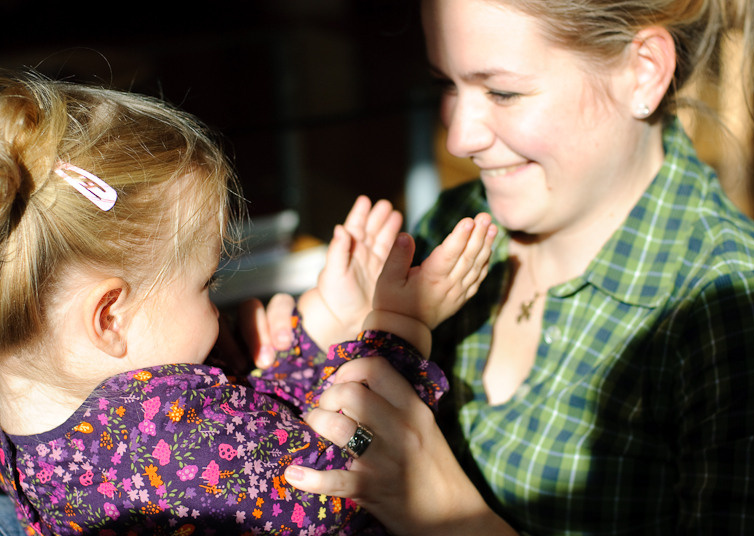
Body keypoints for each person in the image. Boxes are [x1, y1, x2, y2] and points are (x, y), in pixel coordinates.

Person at [249, 0, 754, 534]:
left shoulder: (742, 315)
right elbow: (367, 451)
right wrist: (331, 357)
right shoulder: (457, 221)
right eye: (447, 84)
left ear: (643, 71)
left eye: (503, 92)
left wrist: (443, 512)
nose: (460, 137)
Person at [0, 71, 497, 535]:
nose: (217, 310)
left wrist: (320, 328)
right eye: (206, 283)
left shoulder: (56, 423)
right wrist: (400, 326)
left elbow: (260, 442)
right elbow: (346, 478)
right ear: (109, 317)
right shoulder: (174, 447)